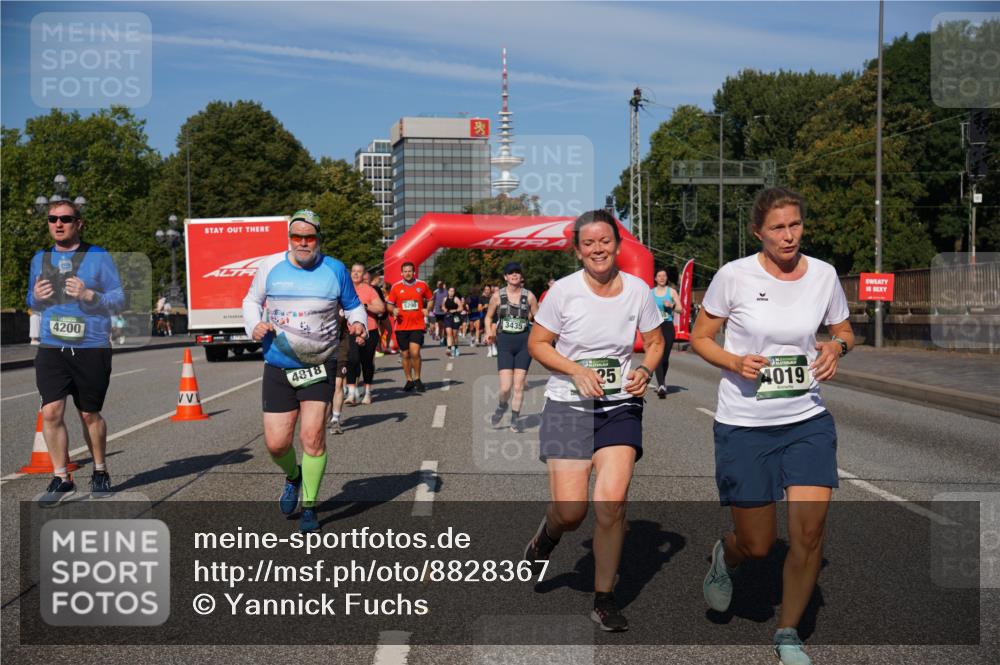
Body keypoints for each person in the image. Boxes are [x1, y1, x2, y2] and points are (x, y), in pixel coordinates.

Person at [690, 187, 853, 665]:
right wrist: (735, 361)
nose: (789, 235)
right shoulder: (733, 276)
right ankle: (727, 554)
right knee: (758, 544)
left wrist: (836, 348)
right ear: (757, 232)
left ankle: (788, 633)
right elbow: (700, 336)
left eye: (795, 225)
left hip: (806, 420)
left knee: (809, 534)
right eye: (778, 228)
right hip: (744, 424)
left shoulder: (823, 275)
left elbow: (844, 330)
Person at [524, 210, 664, 632]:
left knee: (612, 503)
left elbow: (656, 341)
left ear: (617, 245)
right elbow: (538, 344)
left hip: (619, 406)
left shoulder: (638, 291)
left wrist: (645, 369)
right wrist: (576, 371)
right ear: (578, 250)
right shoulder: (563, 292)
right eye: (589, 243)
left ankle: (604, 599)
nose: (598, 249)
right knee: (571, 511)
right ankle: (547, 536)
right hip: (569, 405)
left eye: (605, 241)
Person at [243, 210, 367, 532]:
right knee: (276, 444)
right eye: (296, 237)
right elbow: (251, 301)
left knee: (312, 437)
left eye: (309, 237)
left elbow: (354, 305)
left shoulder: (335, 269)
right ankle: (293, 476)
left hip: (319, 364)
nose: (302, 243)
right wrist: (254, 324)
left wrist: (358, 323)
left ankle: (310, 506)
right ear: (289, 238)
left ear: (318, 239)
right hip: (278, 365)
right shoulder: (270, 266)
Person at [28, 199, 125, 506]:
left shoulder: (98, 256)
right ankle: (62, 477)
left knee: (88, 414)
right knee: (51, 411)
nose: (58, 224)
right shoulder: (40, 259)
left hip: (91, 346)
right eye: (52, 219)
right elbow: (32, 300)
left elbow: (119, 297)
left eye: (66, 218)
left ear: (79, 223)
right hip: (51, 346)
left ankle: (100, 470)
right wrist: (36, 296)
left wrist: (89, 294)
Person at [484, 262, 538, 433]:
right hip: (505, 344)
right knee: (506, 387)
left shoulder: (529, 296)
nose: (514, 275)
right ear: (505, 277)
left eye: (517, 272)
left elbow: (539, 319)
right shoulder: (497, 296)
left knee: (518, 385)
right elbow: (488, 317)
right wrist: (488, 332)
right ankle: (502, 405)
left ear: (521, 276)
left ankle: (515, 420)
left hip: (524, 344)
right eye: (511, 273)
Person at [386, 262, 433, 392]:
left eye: (410, 271)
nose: (407, 273)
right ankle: (409, 380)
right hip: (401, 326)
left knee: (415, 352)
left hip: (417, 325)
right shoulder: (396, 287)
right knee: (405, 354)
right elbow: (389, 304)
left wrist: (427, 309)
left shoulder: (422, 285)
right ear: (402, 273)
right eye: (405, 271)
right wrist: (393, 310)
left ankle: (417, 378)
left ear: (414, 272)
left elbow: (430, 299)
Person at [345, 263, 385, 405]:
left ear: (364, 275)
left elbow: (381, 308)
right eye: (353, 271)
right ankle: (351, 393)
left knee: (366, 362)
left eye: (359, 271)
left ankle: (367, 392)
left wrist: (366, 306)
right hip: (350, 330)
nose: (356, 274)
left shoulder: (369, 290)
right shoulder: (345, 289)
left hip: (369, 330)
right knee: (352, 360)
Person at [651, 269, 681, 398]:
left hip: (668, 326)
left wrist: (672, 306)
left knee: (665, 358)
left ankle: (661, 382)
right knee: (658, 355)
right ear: (655, 278)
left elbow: (681, 309)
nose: (662, 278)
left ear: (667, 278)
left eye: (664, 275)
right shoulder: (650, 293)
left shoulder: (672, 292)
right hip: (655, 327)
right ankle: (661, 385)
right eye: (659, 276)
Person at [443, 286, 464, 358]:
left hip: (455, 317)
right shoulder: (445, 299)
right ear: (448, 292)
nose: (451, 292)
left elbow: (461, 308)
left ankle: (456, 348)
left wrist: (455, 310)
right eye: (450, 291)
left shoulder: (456, 299)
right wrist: (444, 309)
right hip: (448, 317)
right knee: (449, 333)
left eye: (453, 291)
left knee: (455, 335)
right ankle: (449, 349)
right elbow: (443, 306)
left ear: (454, 292)